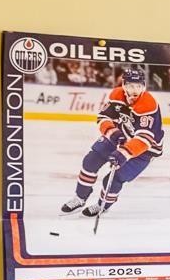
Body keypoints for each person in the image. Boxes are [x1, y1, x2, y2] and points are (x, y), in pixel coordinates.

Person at [65, 62, 163, 219]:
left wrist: (123, 154)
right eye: (130, 86)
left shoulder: (148, 104)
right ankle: (80, 197)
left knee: (114, 178)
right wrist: (113, 133)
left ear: (144, 86)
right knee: (90, 162)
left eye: (138, 86)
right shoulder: (117, 95)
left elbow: (144, 140)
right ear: (123, 85)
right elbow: (103, 118)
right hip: (121, 136)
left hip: (144, 150)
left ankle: (102, 205)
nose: (134, 90)